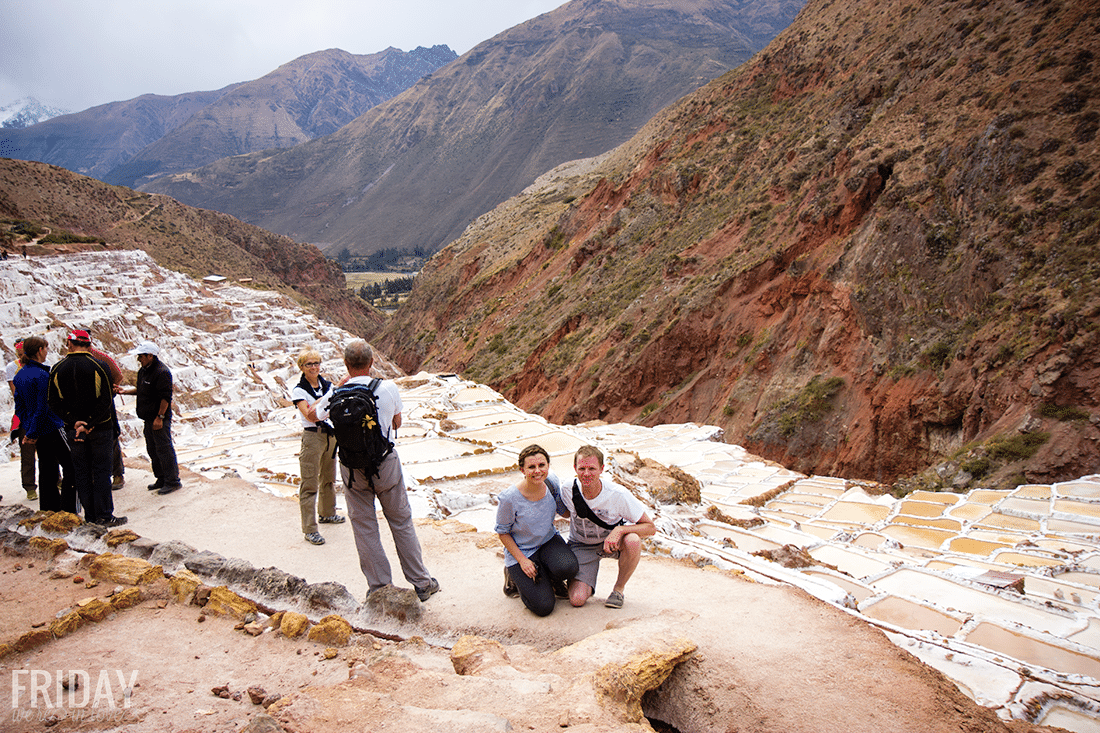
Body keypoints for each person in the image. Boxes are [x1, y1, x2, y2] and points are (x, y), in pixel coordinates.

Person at [315, 340, 440, 602]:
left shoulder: (337, 394)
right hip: (385, 464)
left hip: (351, 470)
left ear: (347, 365)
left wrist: (338, 387)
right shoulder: (388, 388)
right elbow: (397, 421)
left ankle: (380, 586)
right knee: (401, 522)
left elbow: (316, 414)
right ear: (371, 363)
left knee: (364, 528)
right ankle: (421, 582)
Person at [561, 445, 656, 609]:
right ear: (575, 468)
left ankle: (618, 590)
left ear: (602, 469)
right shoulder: (568, 489)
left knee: (632, 541)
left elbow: (650, 527)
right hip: (581, 545)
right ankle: (582, 583)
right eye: (582, 468)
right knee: (577, 600)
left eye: (592, 468)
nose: (586, 473)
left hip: (613, 543)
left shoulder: (618, 494)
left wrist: (619, 530)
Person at [47, 329, 124, 525]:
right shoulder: (99, 366)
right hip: (100, 428)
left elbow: (53, 403)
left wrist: (74, 421)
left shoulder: (57, 368)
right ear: (89, 345)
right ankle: (105, 515)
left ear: (70, 344)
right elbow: (106, 399)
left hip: (73, 430)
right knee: (101, 472)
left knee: (81, 473)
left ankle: (89, 517)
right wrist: (90, 423)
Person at [495, 444, 578, 617]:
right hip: (523, 550)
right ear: (522, 470)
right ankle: (513, 576)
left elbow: (563, 511)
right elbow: (503, 533)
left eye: (542, 465)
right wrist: (523, 561)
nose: (537, 471)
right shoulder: (509, 498)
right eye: (531, 467)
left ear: (548, 466)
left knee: (569, 568)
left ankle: (550, 578)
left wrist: (587, 502)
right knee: (543, 607)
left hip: (548, 541)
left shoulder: (551, 482)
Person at [13, 336, 75, 513]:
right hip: (53, 427)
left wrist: (30, 431)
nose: (47, 351)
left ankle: (49, 509)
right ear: (40, 350)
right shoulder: (42, 375)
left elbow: (20, 408)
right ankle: (68, 508)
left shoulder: (20, 375)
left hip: (37, 431)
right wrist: (33, 432)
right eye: (46, 348)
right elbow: (44, 407)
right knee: (72, 466)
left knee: (47, 470)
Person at [291, 348, 344, 545]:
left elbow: (329, 408)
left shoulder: (326, 385)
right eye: (309, 364)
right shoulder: (299, 391)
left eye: (316, 363)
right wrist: (328, 398)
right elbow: (311, 415)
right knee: (310, 482)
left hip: (329, 435)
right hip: (313, 437)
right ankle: (310, 529)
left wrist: (324, 401)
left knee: (328, 477)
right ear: (302, 367)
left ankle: (327, 513)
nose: (314, 367)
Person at [126, 341, 181, 495]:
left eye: (141, 356)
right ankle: (161, 478)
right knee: (153, 450)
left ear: (150, 356)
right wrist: (124, 392)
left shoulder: (161, 372)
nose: (139, 359)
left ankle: (172, 481)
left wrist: (160, 417)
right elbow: (142, 390)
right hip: (148, 419)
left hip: (158, 419)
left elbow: (165, 397)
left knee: (164, 449)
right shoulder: (144, 371)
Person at [87, 336, 126, 490]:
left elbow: (118, 375)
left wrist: (111, 391)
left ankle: (117, 474)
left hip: (105, 405)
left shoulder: (101, 359)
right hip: (86, 407)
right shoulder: (75, 360)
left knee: (112, 437)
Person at [7, 340, 38, 501]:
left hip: (40, 413)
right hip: (25, 415)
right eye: (20, 355)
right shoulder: (12, 368)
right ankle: (29, 486)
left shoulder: (41, 364)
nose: (22, 357)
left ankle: (56, 479)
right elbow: (16, 393)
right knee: (27, 452)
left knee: (49, 450)